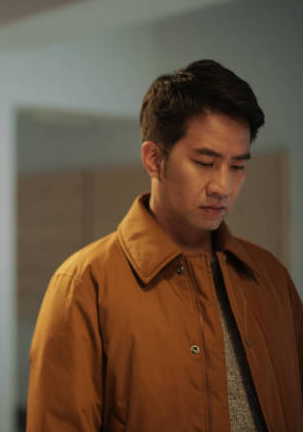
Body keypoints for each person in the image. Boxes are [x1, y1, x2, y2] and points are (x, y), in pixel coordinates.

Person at [27, 60, 302, 431]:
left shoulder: (271, 277)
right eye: (205, 162)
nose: (223, 186)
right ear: (154, 160)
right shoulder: (84, 285)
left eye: (238, 167)